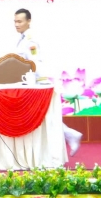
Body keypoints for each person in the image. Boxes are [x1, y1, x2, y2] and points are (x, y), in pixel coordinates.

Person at [12, 9, 82, 156]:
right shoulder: (23, 38)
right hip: (30, 82)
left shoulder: (30, 40)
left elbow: (34, 62)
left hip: (36, 83)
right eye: (15, 21)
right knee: (44, 116)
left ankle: (69, 135)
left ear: (29, 21)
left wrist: (33, 83)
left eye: (20, 21)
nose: (16, 24)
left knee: (45, 115)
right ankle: (70, 135)